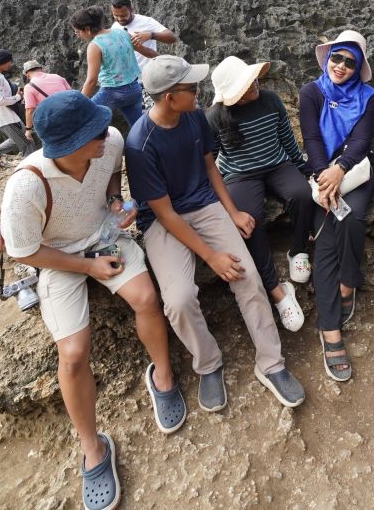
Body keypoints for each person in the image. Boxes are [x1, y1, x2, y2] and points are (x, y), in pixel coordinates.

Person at [0, 90, 186, 510]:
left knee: (146, 298)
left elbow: (109, 183)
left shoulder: (111, 143)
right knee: (74, 353)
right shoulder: (28, 185)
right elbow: (24, 250)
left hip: (103, 236)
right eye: (95, 131)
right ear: (66, 146)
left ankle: (163, 377)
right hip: (58, 256)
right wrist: (86, 267)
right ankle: (93, 447)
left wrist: (117, 203)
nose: (107, 132)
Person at [125, 55, 305, 411]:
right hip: (164, 220)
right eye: (190, 88)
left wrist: (233, 211)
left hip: (206, 205)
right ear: (168, 98)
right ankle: (208, 364)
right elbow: (165, 212)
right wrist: (211, 256)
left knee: (249, 277)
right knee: (177, 299)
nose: (198, 92)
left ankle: (271, 363)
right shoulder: (139, 144)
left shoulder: (193, 117)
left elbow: (210, 167)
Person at [205, 56, 310, 333]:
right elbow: (211, 159)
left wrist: (302, 168)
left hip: (277, 163)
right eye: (245, 85)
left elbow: (286, 137)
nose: (254, 85)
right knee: (248, 222)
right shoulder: (215, 117)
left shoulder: (270, 100)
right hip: (240, 173)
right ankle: (277, 289)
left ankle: (297, 250)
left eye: (252, 79)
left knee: (302, 194)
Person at [299, 31, 374, 382]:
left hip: (356, 169)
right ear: (327, 57)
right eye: (337, 58)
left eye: (350, 62)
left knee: (353, 218)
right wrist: (323, 177)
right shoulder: (311, 92)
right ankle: (330, 329)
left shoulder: (369, 96)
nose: (341, 67)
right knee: (328, 236)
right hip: (322, 170)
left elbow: (363, 140)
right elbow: (312, 137)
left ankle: (349, 282)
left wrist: (339, 169)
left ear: (359, 66)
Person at [71, 6, 154, 131]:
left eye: (77, 32)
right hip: (135, 89)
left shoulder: (95, 45)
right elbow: (145, 51)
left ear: (87, 29)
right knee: (139, 128)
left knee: (82, 117)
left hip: (112, 93)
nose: (77, 35)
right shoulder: (122, 32)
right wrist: (167, 59)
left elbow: (92, 81)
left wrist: (80, 103)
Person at [0, 49, 34, 166]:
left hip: (8, 116)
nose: (10, 64)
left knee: (20, 137)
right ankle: (30, 167)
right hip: (6, 118)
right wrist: (17, 97)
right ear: (3, 62)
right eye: (9, 61)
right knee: (27, 143)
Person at [111, 0, 178, 70]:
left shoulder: (146, 21)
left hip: (148, 73)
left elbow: (172, 38)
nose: (120, 19)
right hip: (128, 76)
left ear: (131, 10)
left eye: (123, 15)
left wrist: (151, 35)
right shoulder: (115, 27)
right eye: (116, 16)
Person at [22, 60, 71, 144]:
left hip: (54, 120)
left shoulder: (29, 87)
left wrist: (28, 130)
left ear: (27, 75)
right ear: (41, 69)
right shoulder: (57, 76)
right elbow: (70, 93)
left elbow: (30, 110)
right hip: (71, 112)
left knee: (53, 144)